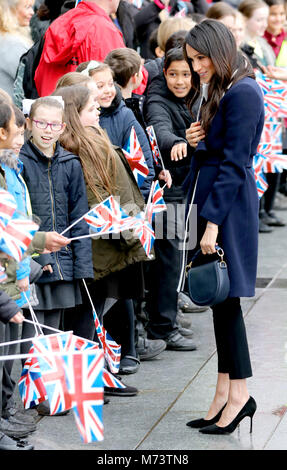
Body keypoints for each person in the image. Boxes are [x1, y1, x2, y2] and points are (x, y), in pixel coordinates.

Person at [183, 19, 263, 434]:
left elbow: (235, 164)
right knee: (220, 303)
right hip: (215, 199)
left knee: (227, 303)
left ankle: (240, 396)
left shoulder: (244, 91)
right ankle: (223, 394)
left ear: (218, 50)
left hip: (227, 207)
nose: (196, 68)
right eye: (192, 61)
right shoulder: (228, 87)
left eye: (199, 59)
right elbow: (220, 151)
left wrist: (211, 225)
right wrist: (198, 138)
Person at [55, 84, 152, 382]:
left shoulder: (94, 140)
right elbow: (97, 201)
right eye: (90, 107)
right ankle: (86, 380)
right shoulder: (75, 151)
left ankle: (96, 376)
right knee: (87, 315)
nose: (98, 110)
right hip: (97, 245)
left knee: (96, 312)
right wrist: (126, 231)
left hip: (110, 241)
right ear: (74, 114)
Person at [19, 96, 94, 415]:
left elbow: (80, 216)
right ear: (28, 124)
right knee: (35, 331)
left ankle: (56, 390)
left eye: (54, 125)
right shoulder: (18, 162)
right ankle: (35, 394)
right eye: (41, 123)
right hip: (34, 262)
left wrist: (83, 267)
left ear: (63, 127)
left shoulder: (71, 164)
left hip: (64, 265)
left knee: (58, 331)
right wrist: (35, 259)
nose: (47, 130)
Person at [142, 46, 199, 351]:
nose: (179, 81)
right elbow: (160, 129)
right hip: (169, 188)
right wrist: (177, 141)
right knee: (169, 259)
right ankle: (162, 327)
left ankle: (169, 318)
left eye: (185, 74)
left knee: (179, 257)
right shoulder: (157, 97)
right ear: (164, 73)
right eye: (173, 74)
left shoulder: (197, 95)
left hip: (188, 184)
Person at [76, 60, 155, 201]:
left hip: (125, 202)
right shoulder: (77, 120)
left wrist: (137, 203)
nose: (107, 90)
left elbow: (143, 164)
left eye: (111, 84)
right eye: (100, 86)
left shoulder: (124, 115)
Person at [34, 0, 127, 97]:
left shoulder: (58, 24)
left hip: (53, 106)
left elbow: (40, 74)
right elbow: (124, 79)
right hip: (88, 108)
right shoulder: (103, 30)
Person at [0, 0, 34, 98]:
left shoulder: (6, 38)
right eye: (27, 7)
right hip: (11, 109)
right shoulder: (13, 43)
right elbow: (31, 80)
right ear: (11, 10)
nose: (32, 12)